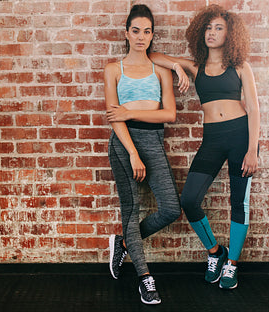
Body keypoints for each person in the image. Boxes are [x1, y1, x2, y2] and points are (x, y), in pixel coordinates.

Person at [150, 4, 260, 290]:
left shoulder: (240, 66)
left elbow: (256, 110)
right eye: (208, 28)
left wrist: (252, 149)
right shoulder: (195, 66)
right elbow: (154, 56)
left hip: (240, 137)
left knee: (239, 204)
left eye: (219, 28)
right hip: (212, 138)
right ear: (201, 32)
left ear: (230, 34)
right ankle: (215, 252)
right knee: (189, 199)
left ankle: (231, 265)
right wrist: (177, 66)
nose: (212, 33)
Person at [104, 4, 182, 305]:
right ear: (127, 33)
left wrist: (131, 109)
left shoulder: (160, 70)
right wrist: (133, 154)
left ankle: (123, 242)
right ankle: (145, 279)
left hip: (154, 140)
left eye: (147, 31)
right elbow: (115, 117)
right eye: (135, 31)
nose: (141, 37)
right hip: (124, 144)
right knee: (132, 209)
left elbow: (170, 114)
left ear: (152, 35)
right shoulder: (113, 69)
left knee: (171, 208)